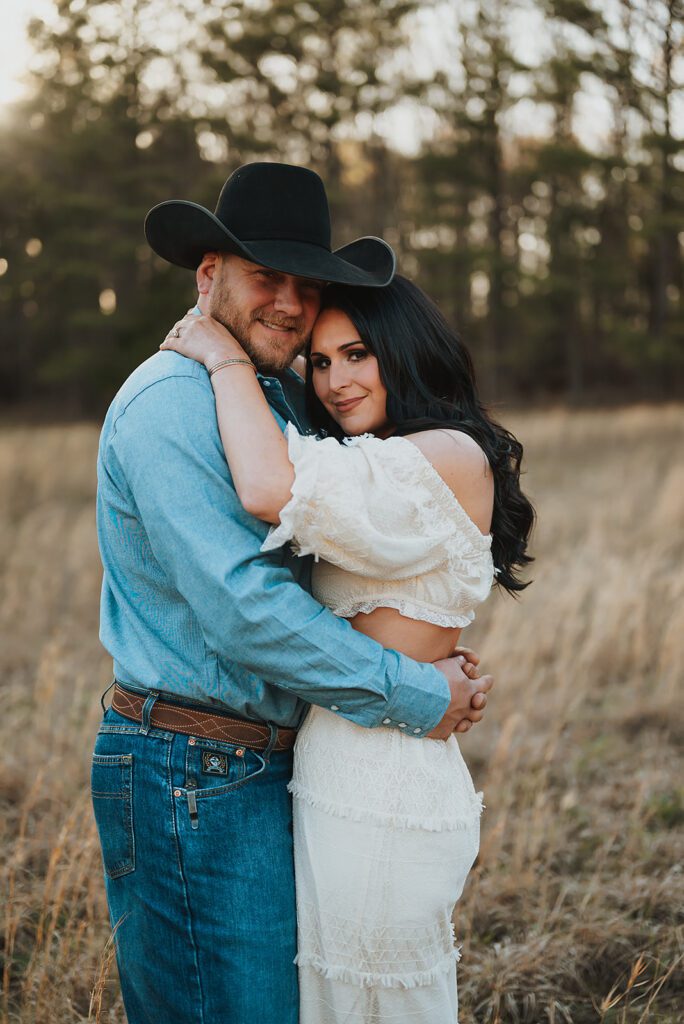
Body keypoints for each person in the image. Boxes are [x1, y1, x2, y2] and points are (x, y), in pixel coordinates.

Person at [92, 162, 494, 1024]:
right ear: (209, 279)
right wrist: (418, 689)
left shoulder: (282, 400)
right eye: (263, 277)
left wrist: (422, 635)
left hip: (267, 761)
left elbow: (339, 552)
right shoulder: (172, 403)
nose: (288, 302)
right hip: (188, 765)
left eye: (303, 285)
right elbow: (249, 614)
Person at [160, 272, 535, 1021]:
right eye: (321, 363)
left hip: (385, 780)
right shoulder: (392, 454)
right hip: (350, 761)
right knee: (341, 996)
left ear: (403, 351)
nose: (335, 382)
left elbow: (271, 489)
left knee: (376, 1000)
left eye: (357, 354)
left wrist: (225, 357)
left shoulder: (443, 454)